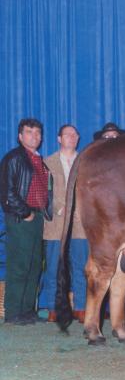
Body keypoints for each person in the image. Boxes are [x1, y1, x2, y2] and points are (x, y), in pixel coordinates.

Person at [0, 119, 52, 325]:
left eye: (38, 132)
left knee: (35, 266)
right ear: (20, 136)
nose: (35, 136)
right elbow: (6, 192)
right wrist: (25, 213)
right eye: (29, 132)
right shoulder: (13, 158)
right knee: (20, 265)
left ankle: (28, 310)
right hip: (21, 218)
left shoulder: (40, 160)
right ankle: (13, 313)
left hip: (38, 217)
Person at [40, 124, 88, 323]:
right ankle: (53, 308)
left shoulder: (85, 162)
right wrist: (62, 208)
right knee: (53, 268)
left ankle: (81, 307)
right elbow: (43, 192)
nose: (72, 137)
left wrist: (79, 211)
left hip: (80, 224)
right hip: (55, 225)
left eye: (75, 134)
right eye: (67, 134)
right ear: (59, 139)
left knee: (81, 267)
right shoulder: (46, 163)